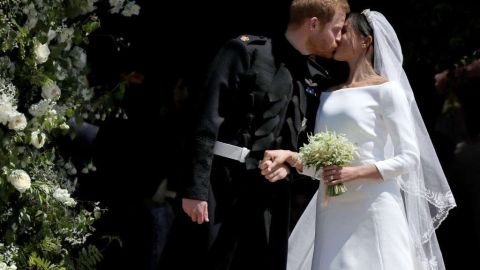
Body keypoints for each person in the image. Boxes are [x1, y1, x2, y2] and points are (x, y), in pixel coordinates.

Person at [259, 10, 456, 270]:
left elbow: (409, 157)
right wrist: (291, 156)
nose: (338, 38)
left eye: (345, 32)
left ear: (366, 41)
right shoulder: (328, 94)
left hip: (374, 205)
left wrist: (354, 172)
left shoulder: (386, 91)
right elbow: (321, 167)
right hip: (332, 208)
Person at [169, 0, 350, 269]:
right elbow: (205, 120)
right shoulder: (244, 52)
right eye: (336, 29)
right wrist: (195, 190)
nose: (339, 38)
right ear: (314, 24)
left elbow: (306, 143)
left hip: (271, 200)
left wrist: (290, 168)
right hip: (221, 187)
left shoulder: (316, 78)